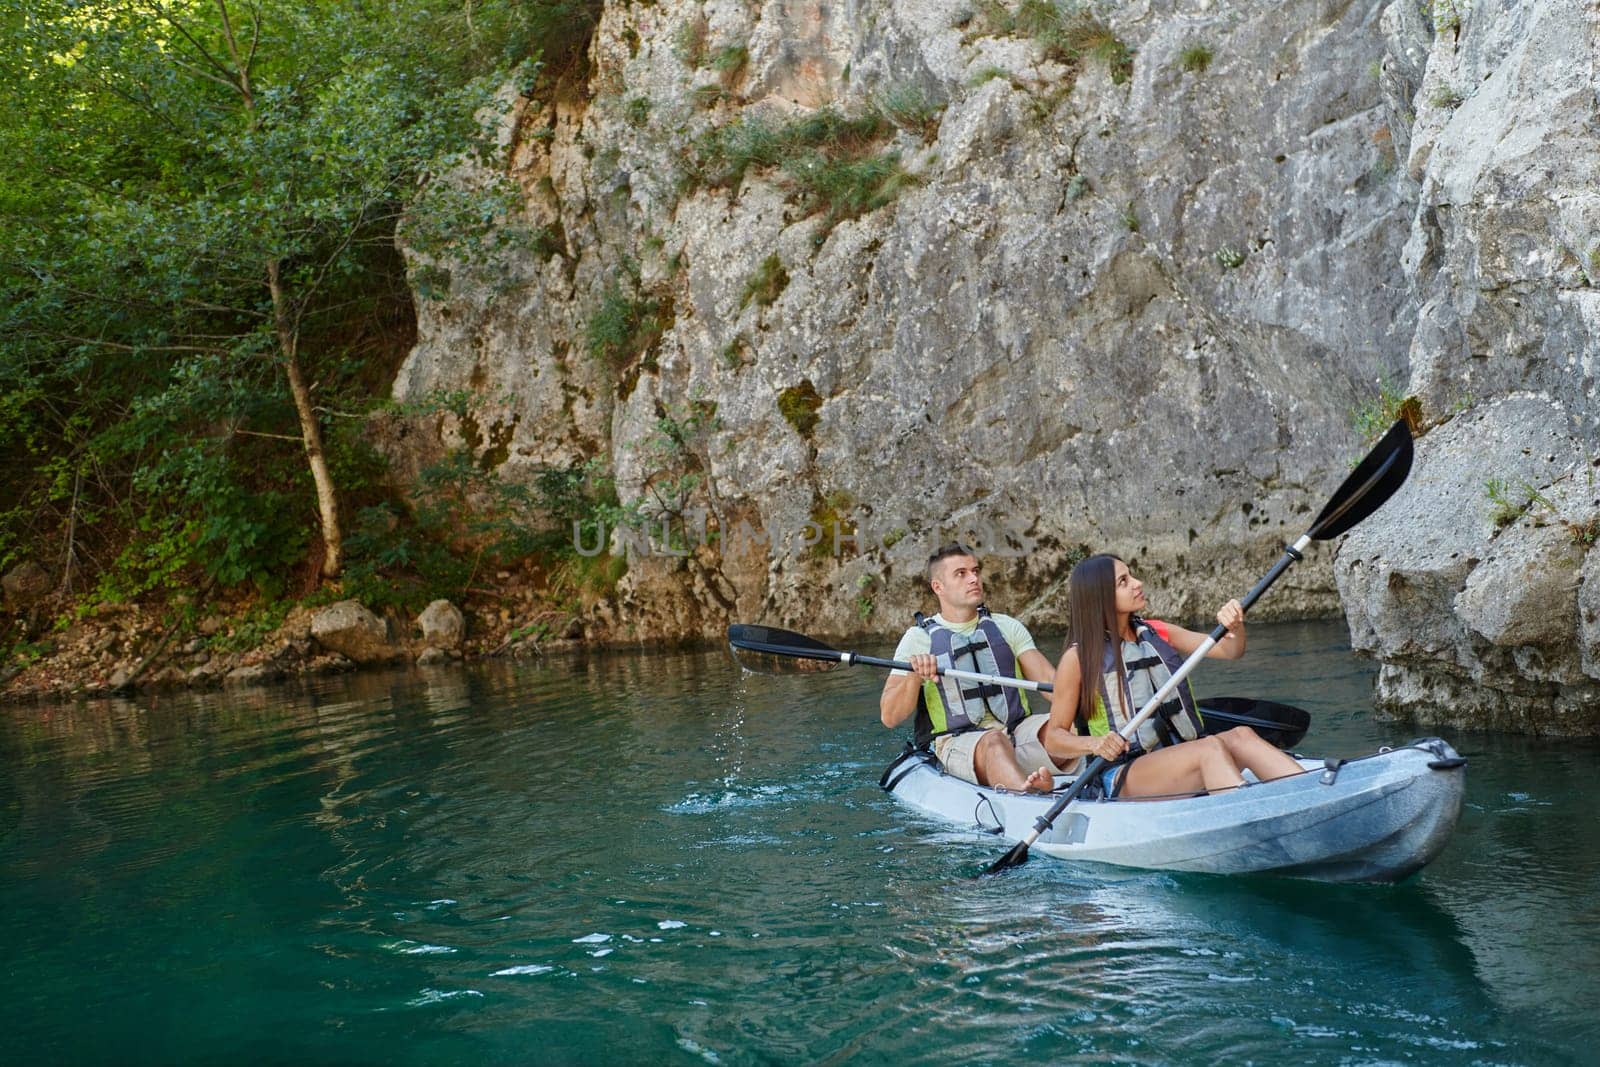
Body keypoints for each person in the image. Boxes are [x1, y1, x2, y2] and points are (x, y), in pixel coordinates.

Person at [1042, 553, 1304, 798]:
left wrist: (1235, 626)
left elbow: (1230, 650)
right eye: (1124, 581)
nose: (1137, 583)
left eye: (1131, 575)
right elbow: (1054, 738)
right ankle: (1253, 817)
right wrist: (1095, 744)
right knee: (1209, 749)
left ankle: (1313, 795)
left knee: (1241, 736)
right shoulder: (1078, 659)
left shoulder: (1155, 632)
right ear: (1100, 598)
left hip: (1175, 753)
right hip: (1121, 773)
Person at [880, 543, 1060, 793]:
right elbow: (889, 717)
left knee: (1062, 723)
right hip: (958, 741)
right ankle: (1029, 792)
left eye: (975, 571)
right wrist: (913, 676)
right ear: (938, 587)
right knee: (994, 740)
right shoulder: (917, 639)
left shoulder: (1006, 626)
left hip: (1018, 731)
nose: (974, 578)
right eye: (961, 573)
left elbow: (1055, 687)